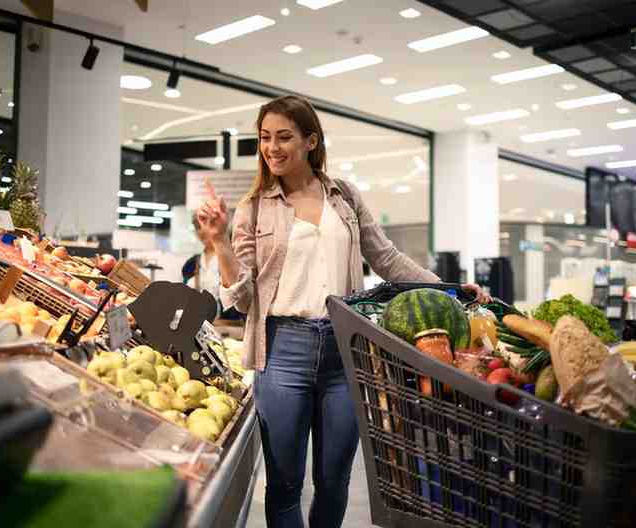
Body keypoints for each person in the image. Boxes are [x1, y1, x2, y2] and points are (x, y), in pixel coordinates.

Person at [196, 94, 490, 528]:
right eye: (264, 139)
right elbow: (241, 297)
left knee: (334, 482)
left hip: (345, 352)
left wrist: (447, 290)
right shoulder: (254, 208)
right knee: (284, 484)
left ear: (310, 141)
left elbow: (387, 259)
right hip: (282, 351)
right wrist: (219, 242)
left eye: (283, 137)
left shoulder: (344, 197)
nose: (272, 148)